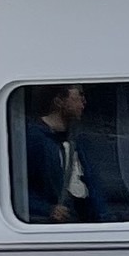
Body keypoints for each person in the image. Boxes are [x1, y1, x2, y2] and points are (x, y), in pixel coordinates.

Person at [22, 85, 106, 221]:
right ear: (59, 101)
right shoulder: (34, 137)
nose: (83, 101)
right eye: (79, 95)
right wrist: (46, 209)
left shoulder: (78, 138)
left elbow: (91, 182)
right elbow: (17, 185)